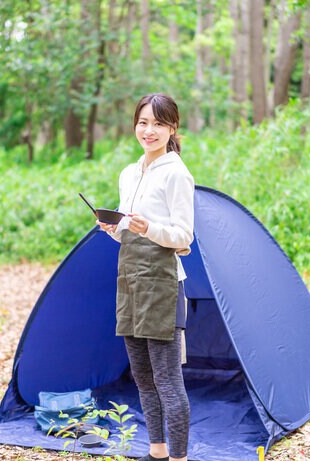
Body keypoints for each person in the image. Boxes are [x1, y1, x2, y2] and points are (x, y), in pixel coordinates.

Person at [98, 93, 194, 461]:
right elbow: (128, 227)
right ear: (134, 125)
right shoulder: (128, 172)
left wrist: (149, 227)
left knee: (168, 382)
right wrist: (115, 228)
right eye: (143, 122)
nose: (149, 130)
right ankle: (156, 453)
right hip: (131, 281)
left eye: (158, 123)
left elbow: (184, 236)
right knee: (143, 378)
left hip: (164, 284)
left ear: (172, 128)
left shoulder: (177, 174)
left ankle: (178, 457)